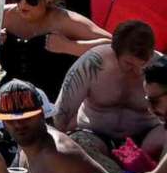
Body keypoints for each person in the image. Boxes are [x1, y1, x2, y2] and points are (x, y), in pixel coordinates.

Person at [59, 21, 162, 165]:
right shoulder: (91, 64)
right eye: (129, 64)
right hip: (96, 136)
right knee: (78, 143)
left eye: (143, 65)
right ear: (115, 52)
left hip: (146, 139)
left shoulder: (162, 69)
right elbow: (60, 116)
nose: (138, 71)